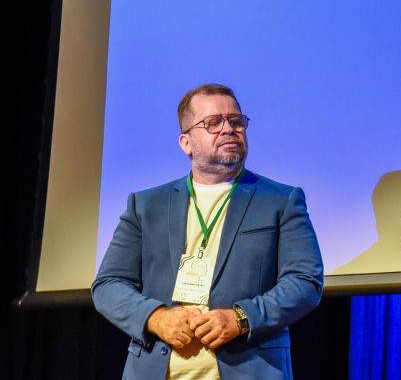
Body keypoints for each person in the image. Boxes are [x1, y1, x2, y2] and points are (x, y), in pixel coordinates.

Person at [93, 83, 323, 379]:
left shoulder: (281, 200)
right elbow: (108, 285)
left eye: (236, 121)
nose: (229, 129)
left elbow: (305, 282)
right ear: (186, 142)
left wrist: (241, 318)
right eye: (213, 123)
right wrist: (155, 318)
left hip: (250, 368)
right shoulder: (145, 205)